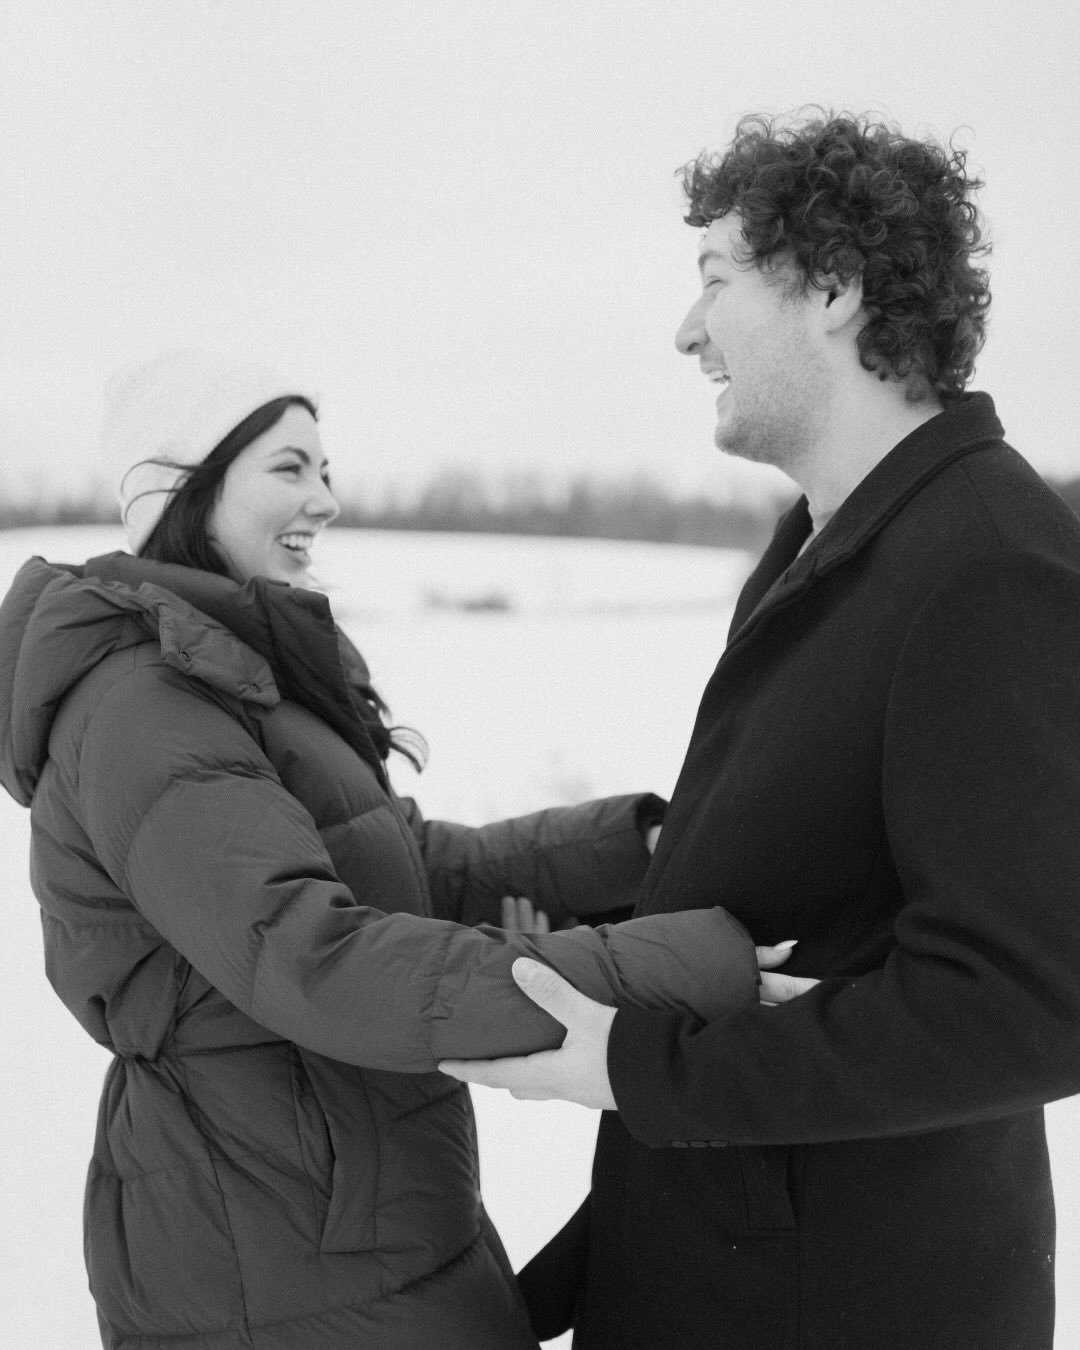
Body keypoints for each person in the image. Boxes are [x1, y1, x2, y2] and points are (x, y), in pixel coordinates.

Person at [0, 350, 793, 1350]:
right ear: (183, 489)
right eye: (290, 467)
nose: (326, 499)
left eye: (326, 469)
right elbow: (320, 961)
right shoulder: (143, 706)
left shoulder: (235, 678)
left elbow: (414, 868)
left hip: (354, 1219)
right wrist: (677, 970)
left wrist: (637, 848)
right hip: (268, 1257)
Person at [441, 110, 1080, 1349]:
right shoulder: (820, 549)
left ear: (833, 288)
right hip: (724, 1279)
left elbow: (1026, 1002)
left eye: (716, 278)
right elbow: (795, 904)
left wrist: (637, 1068)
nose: (688, 330)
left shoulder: (989, 564)